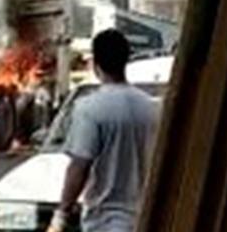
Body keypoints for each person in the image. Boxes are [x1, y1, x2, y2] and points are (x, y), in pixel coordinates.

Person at [47, 29, 160, 232]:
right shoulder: (152, 108)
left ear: (95, 65)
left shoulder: (90, 109)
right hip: (145, 219)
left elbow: (79, 167)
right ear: (125, 61)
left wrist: (60, 215)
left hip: (105, 223)